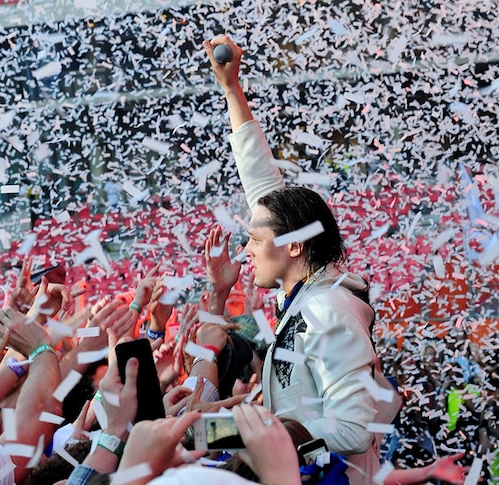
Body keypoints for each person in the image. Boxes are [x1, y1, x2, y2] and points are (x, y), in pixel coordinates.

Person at [205, 36, 399, 484]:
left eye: (255, 239)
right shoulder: (307, 297)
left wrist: (230, 433)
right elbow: (263, 188)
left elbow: (351, 428)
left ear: (294, 244)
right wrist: (233, 91)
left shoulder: (326, 312)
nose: (247, 249)